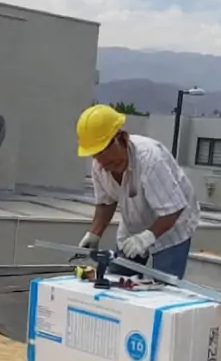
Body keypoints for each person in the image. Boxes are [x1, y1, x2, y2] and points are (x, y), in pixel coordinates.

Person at [75, 104, 200, 280]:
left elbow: (173, 209)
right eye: (96, 156)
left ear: (123, 139)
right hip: (135, 224)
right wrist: (94, 233)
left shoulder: (151, 159)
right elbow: (106, 202)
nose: (104, 165)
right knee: (117, 279)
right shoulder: (100, 165)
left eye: (109, 159)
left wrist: (146, 238)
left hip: (173, 227)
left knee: (163, 289)